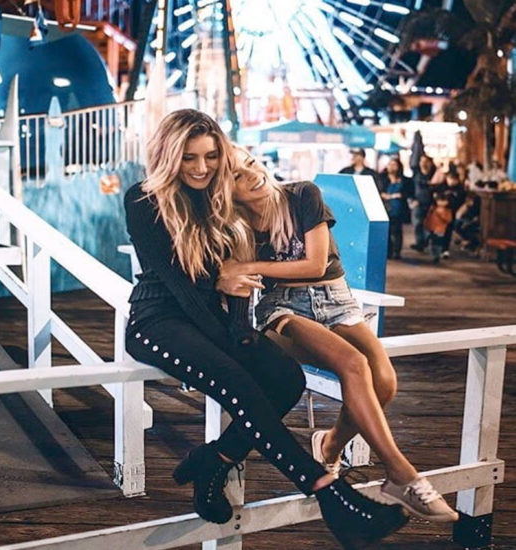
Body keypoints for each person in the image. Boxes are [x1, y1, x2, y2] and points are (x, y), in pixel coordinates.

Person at [124, 109, 408, 549]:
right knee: (240, 380)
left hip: (211, 319)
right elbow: (181, 286)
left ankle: (214, 458)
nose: (201, 168)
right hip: (158, 319)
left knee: (286, 379)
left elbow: (241, 278)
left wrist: (240, 331)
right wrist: (227, 324)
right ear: (169, 157)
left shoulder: (218, 201)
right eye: (189, 158)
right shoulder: (143, 200)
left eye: (211, 156)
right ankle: (331, 495)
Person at [219, 145, 459, 524]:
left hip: (336, 298)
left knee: (384, 383)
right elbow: (227, 277)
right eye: (236, 175)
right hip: (283, 307)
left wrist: (248, 266)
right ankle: (402, 475)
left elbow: (315, 265)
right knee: (353, 363)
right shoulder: (236, 227)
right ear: (226, 189)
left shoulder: (302, 194)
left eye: (249, 163)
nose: (252, 174)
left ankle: (329, 444)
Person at [378, 158, 412, 259]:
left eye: (394, 165)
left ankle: (397, 251)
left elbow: (408, 193)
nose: (391, 167)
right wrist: (390, 196)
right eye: (390, 164)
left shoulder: (405, 180)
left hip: (398, 208)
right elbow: (380, 191)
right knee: (386, 231)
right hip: (385, 207)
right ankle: (389, 251)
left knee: (397, 230)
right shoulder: (382, 179)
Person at [409, 154, 436, 252]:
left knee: (430, 225)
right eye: (421, 161)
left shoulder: (434, 174)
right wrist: (412, 200)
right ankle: (420, 243)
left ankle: (426, 241)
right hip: (418, 203)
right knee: (417, 223)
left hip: (431, 203)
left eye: (426, 161)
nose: (423, 163)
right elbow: (411, 188)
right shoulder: (416, 174)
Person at [423, 190, 454, 264]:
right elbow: (428, 217)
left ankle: (436, 255)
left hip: (440, 229)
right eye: (439, 200)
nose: (441, 202)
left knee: (438, 242)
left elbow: (449, 219)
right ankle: (434, 253)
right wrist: (426, 224)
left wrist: (441, 215)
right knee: (433, 241)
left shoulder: (447, 210)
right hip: (432, 227)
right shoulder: (433, 208)